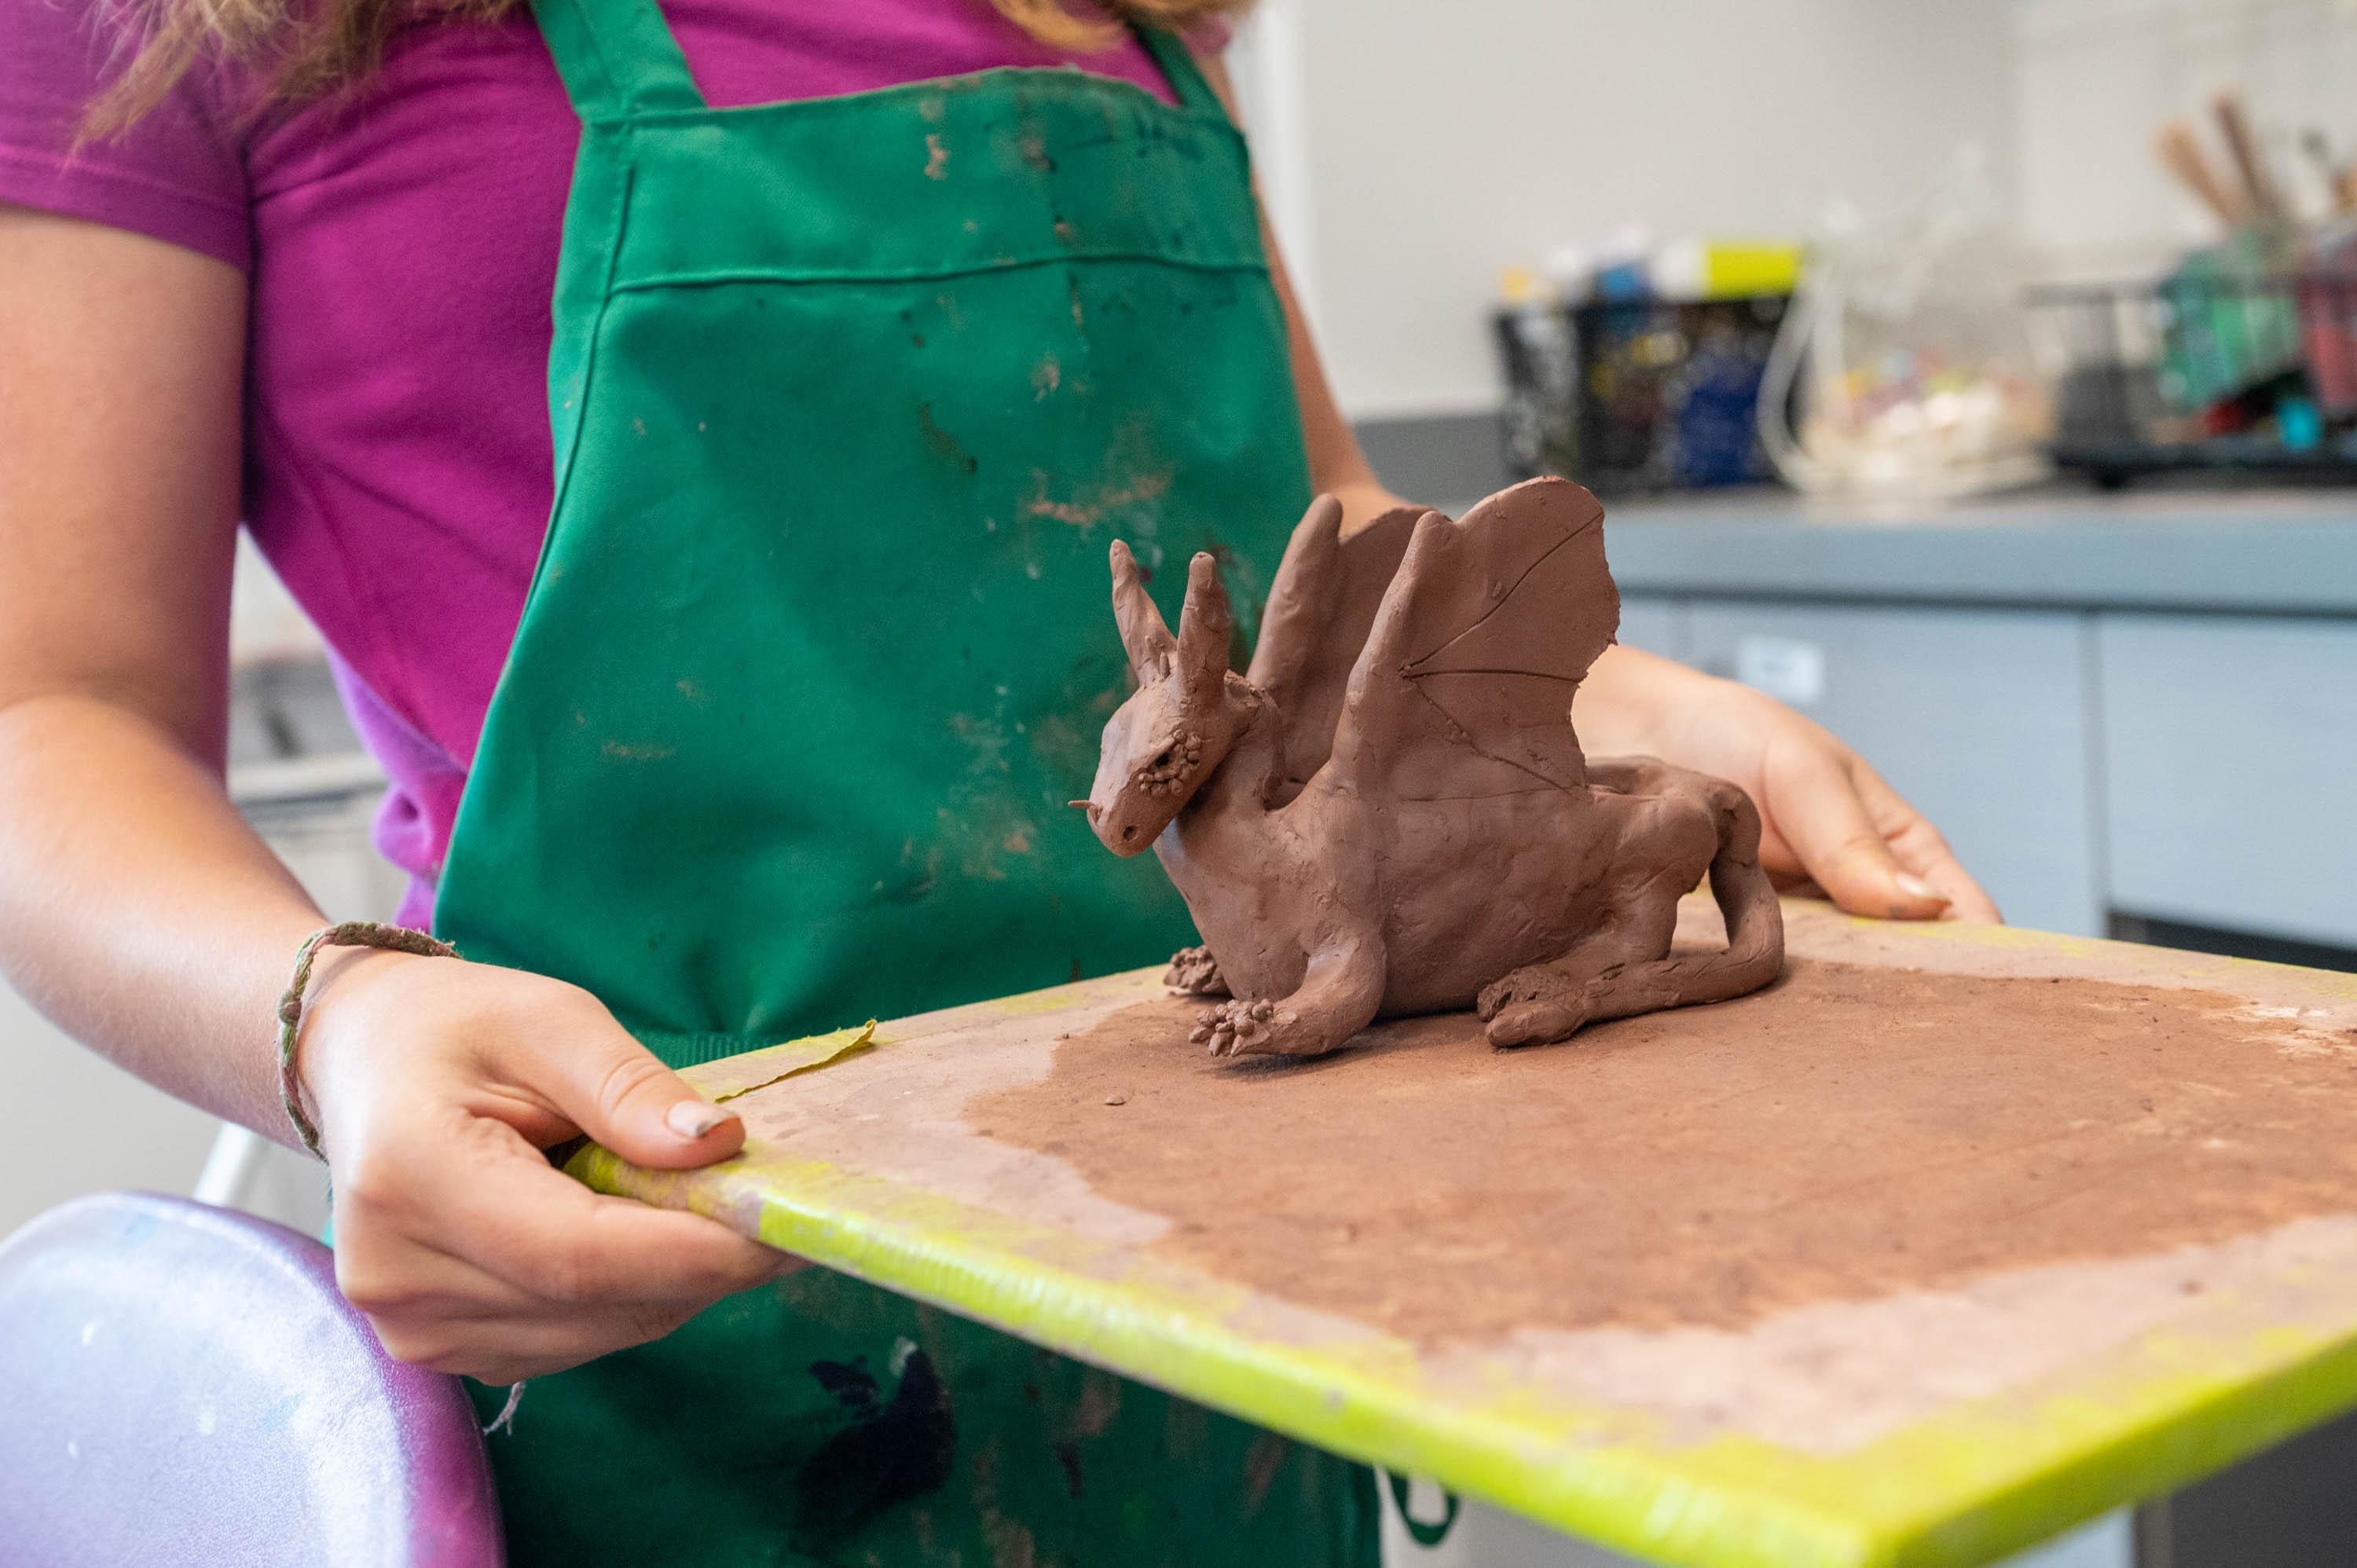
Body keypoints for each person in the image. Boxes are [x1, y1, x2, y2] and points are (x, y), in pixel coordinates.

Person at [0, 0, 2000, 1561]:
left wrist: (1642, 708)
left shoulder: (1129, 20)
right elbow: (46, 713)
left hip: (1231, 1315)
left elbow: (1314, 527)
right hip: (671, 1345)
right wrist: (330, 1019)